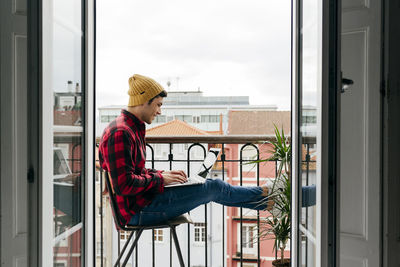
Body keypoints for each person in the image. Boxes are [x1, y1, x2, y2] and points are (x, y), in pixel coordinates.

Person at [99, 74, 274, 226]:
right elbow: (123, 185)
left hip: (142, 203)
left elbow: (135, 172)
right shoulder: (121, 133)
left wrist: (165, 175)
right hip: (138, 211)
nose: (159, 111)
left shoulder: (129, 128)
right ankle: (268, 196)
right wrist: (160, 179)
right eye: (158, 105)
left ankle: (269, 199)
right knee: (214, 187)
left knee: (213, 188)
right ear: (145, 101)